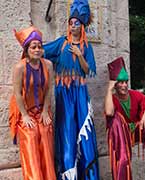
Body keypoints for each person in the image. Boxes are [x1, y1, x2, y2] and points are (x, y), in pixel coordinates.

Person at [43, 0, 99, 179]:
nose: (73, 26)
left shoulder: (86, 47)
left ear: (82, 27)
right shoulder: (61, 43)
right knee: (67, 134)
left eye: (76, 23)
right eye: (70, 23)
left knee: (85, 135)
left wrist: (79, 54)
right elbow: (41, 51)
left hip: (80, 94)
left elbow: (87, 70)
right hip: (64, 95)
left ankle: (88, 175)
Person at [9, 26, 56, 180]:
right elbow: (17, 94)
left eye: (39, 46)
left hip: (42, 110)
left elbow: (49, 89)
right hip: (26, 112)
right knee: (30, 139)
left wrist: (45, 111)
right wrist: (24, 115)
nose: (37, 49)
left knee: (46, 133)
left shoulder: (48, 65)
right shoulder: (19, 67)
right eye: (33, 46)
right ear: (27, 49)